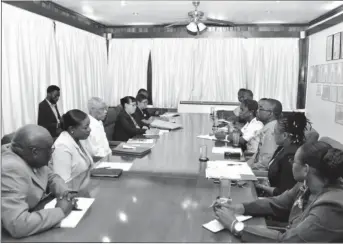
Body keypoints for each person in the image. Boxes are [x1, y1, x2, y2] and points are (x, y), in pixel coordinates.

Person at [213, 141, 343, 242]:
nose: (291, 164)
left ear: (305, 169)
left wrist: (234, 225)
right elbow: (277, 203)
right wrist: (238, 208)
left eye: (294, 161)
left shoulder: (330, 207)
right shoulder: (306, 185)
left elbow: (289, 241)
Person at [2, 125, 77, 238]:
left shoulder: (27, 154)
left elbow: (51, 177)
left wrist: (64, 193)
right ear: (35, 152)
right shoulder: (10, 168)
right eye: (50, 150)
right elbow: (17, 225)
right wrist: (61, 210)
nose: (52, 155)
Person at [255, 112, 310, 197]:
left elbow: (284, 193)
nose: (273, 134)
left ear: (284, 135)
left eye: (275, 132)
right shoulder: (282, 148)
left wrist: (262, 187)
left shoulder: (290, 157)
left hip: (279, 202)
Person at [50, 110, 93, 194]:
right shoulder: (62, 146)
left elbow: (89, 165)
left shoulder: (79, 138)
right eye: (85, 127)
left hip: (85, 187)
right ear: (72, 129)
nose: (89, 129)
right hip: (73, 194)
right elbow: (63, 183)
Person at [248, 98, 281, 171]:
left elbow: (265, 163)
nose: (257, 111)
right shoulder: (267, 128)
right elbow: (256, 157)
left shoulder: (272, 130)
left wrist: (248, 168)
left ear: (270, 113)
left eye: (260, 109)